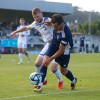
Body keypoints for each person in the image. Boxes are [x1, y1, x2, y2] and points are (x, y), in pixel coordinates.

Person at [10, 8, 63, 89]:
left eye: (37, 16)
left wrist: (52, 24)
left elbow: (59, 26)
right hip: (48, 44)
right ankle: (43, 79)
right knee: (37, 63)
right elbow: (25, 28)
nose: (36, 19)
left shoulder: (48, 20)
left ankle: (60, 80)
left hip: (57, 45)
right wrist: (14, 32)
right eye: (34, 17)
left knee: (53, 69)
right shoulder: (35, 23)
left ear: (41, 14)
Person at [34, 14, 77, 92]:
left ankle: (73, 80)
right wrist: (49, 23)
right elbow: (51, 22)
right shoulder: (57, 21)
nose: (54, 28)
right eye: (53, 26)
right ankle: (40, 85)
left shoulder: (66, 34)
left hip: (64, 51)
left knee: (63, 71)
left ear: (61, 24)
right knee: (44, 62)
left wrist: (50, 59)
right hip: (54, 44)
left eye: (56, 27)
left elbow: (61, 51)